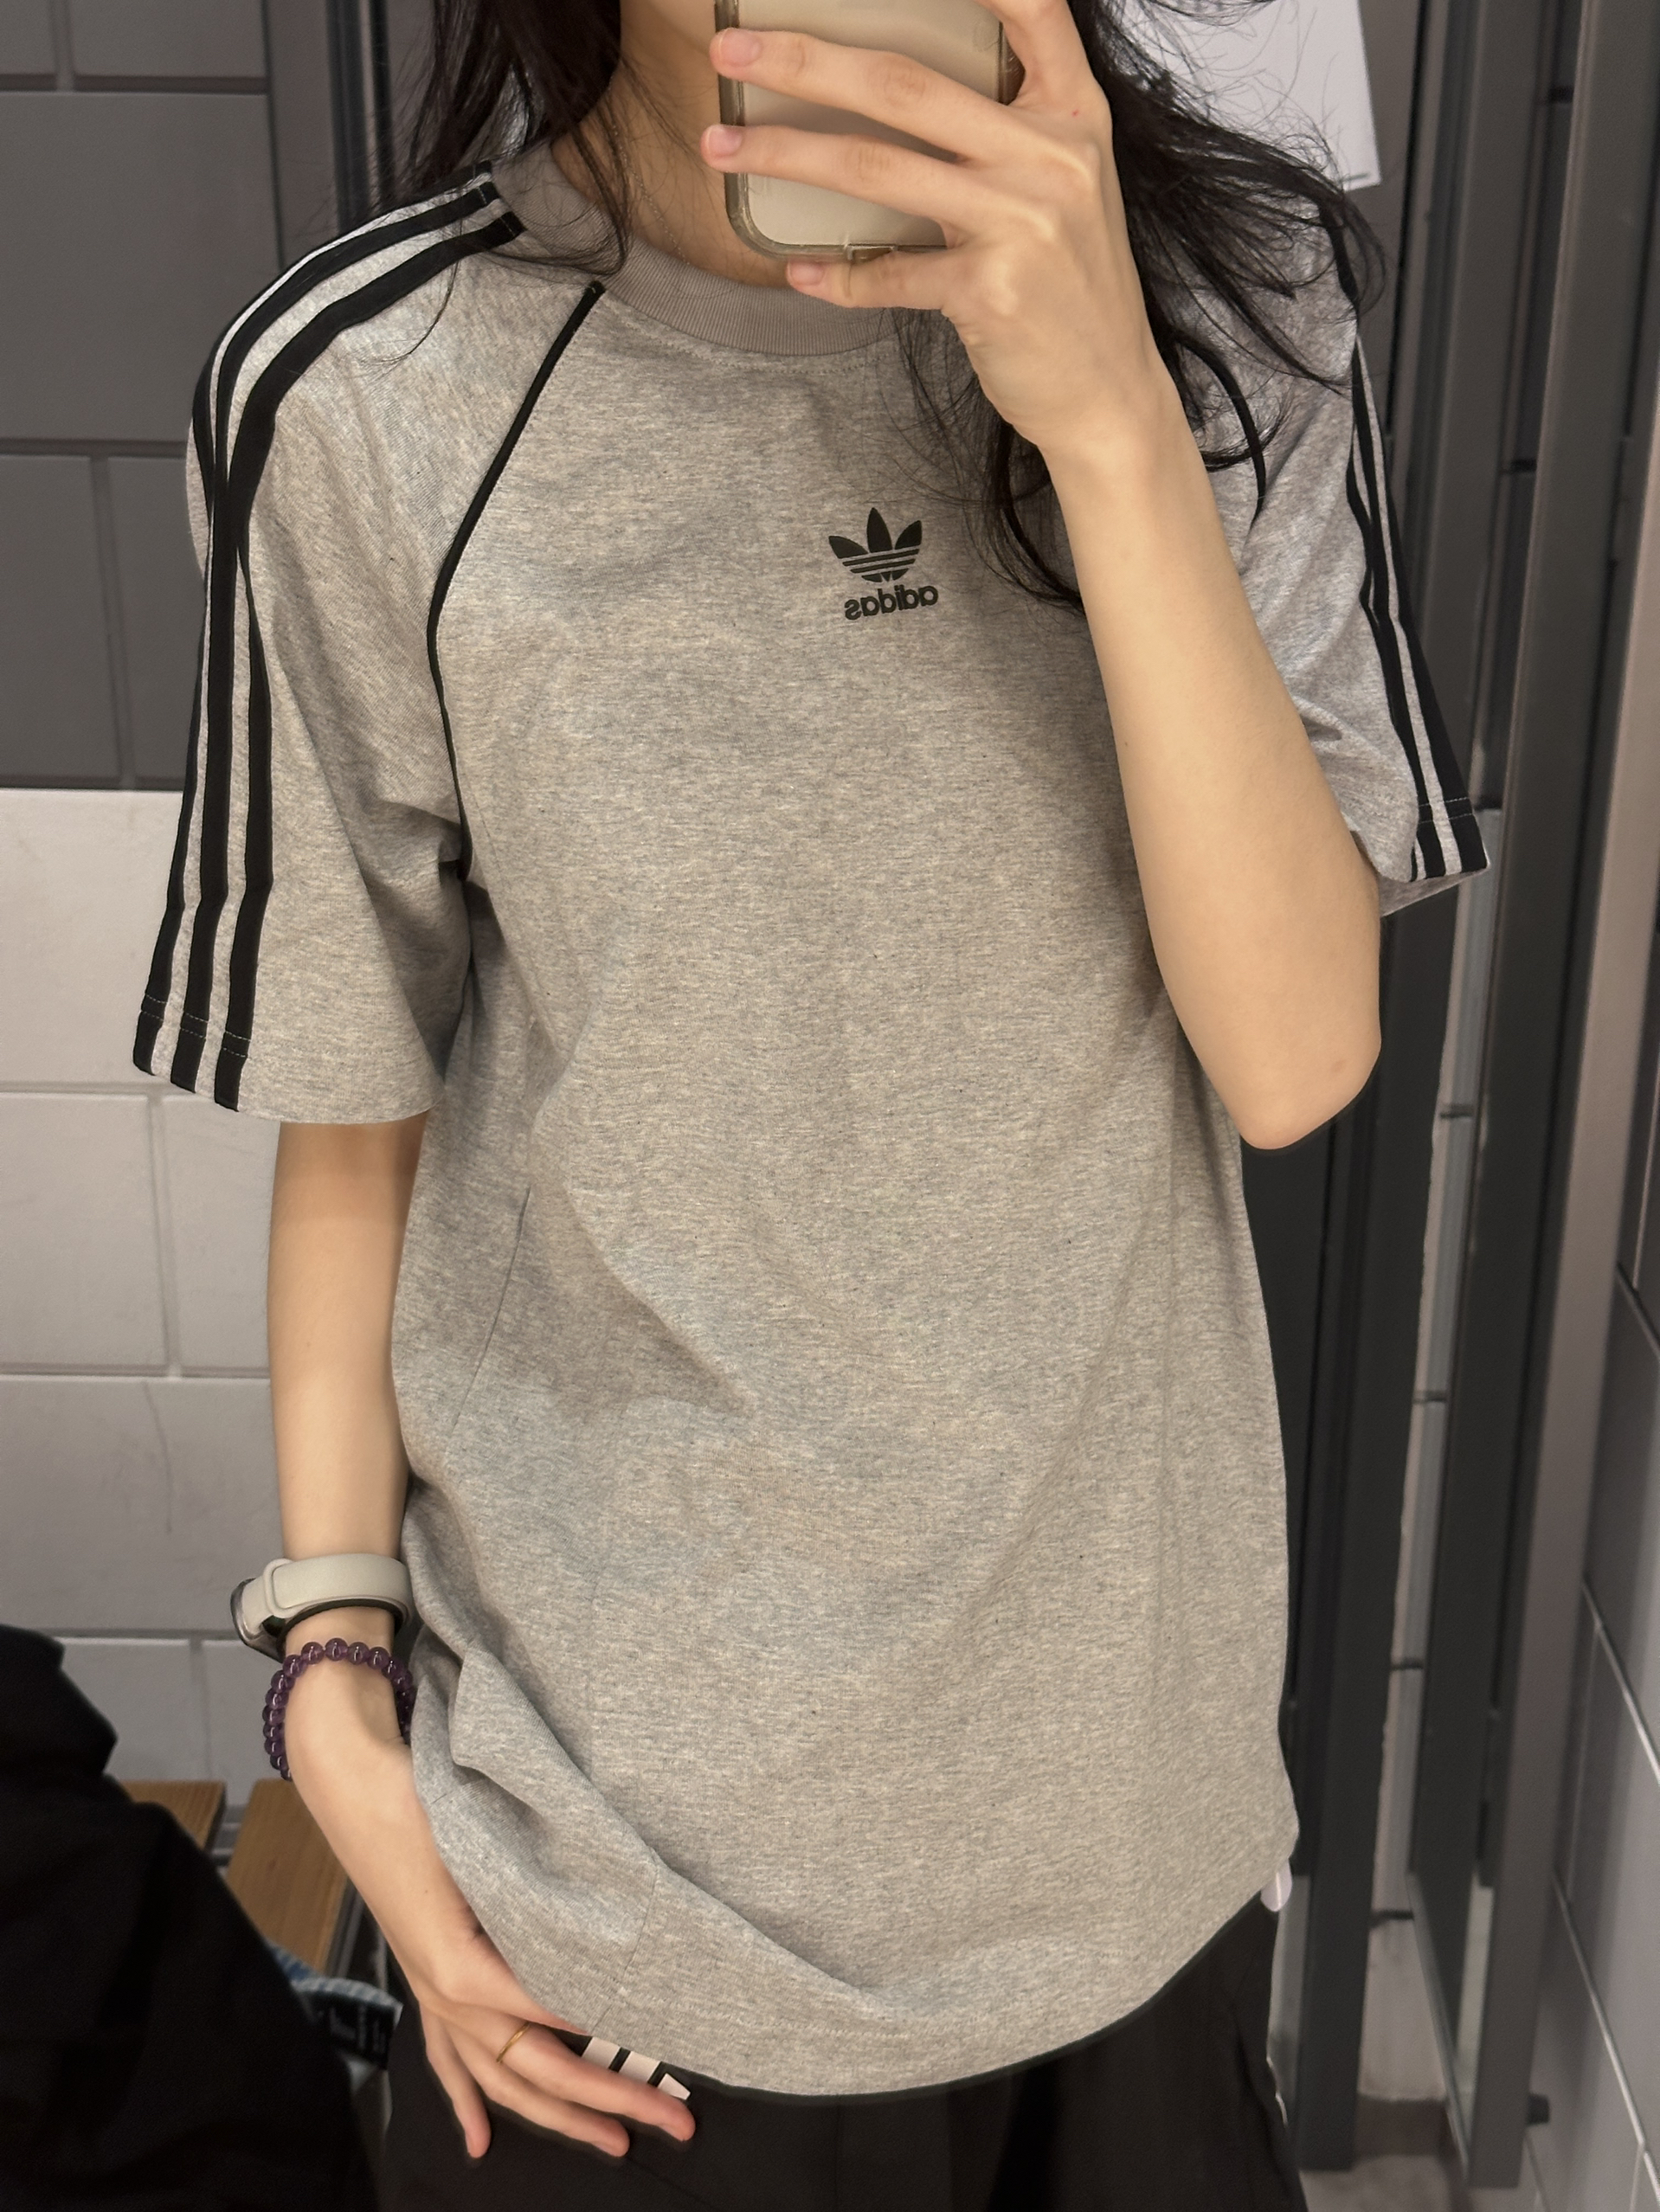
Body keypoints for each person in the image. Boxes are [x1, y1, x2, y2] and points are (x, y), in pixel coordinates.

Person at [133, 0, 1484, 2199]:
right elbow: (352, 1107)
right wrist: (333, 1678)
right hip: (609, 1911)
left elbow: (1294, 1055)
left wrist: (1110, 419)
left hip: (1120, 1863)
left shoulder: (1239, 309)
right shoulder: (369, 393)